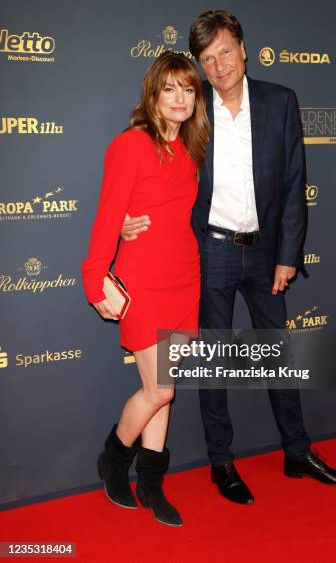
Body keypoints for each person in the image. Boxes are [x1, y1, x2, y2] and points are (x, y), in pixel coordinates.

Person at [121, 11, 336, 505]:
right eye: (208, 58)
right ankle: (221, 462)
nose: (220, 65)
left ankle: (297, 452)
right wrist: (127, 217)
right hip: (208, 252)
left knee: (277, 355)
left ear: (244, 49)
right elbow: (148, 156)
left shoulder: (279, 101)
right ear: (201, 65)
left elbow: (295, 185)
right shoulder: (190, 105)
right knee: (210, 362)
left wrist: (288, 254)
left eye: (226, 52)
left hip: (266, 252)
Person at [82, 51, 209, 526]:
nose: (180, 99)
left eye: (188, 89)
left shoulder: (191, 148)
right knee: (158, 390)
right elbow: (107, 217)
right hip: (144, 283)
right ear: (153, 95)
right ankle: (114, 458)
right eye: (169, 89)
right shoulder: (131, 145)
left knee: (165, 391)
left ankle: (151, 482)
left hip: (184, 277)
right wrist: (95, 279)